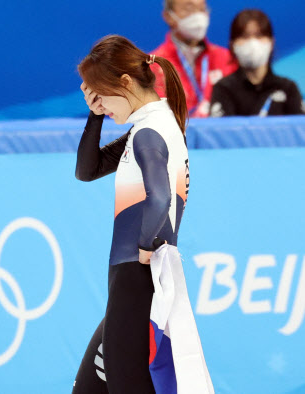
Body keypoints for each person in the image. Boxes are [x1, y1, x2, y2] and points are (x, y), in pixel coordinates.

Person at [72, 35, 190, 394]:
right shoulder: (154, 125)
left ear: (124, 82)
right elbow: (87, 169)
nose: (101, 103)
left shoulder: (149, 133)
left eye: (101, 94)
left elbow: (159, 198)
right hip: (133, 287)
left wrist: (144, 244)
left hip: (134, 283)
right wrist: (95, 117)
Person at [210, 9, 305, 117]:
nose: (253, 43)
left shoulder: (288, 88)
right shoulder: (223, 88)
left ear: (271, 43)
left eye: (259, 36)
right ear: (232, 45)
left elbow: (300, 130)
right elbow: (220, 131)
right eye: (245, 36)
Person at [152, 0, 237, 117]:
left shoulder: (227, 59)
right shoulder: (153, 66)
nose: (198, 16)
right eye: (189, 9)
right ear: (168, 16)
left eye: (202, 9)